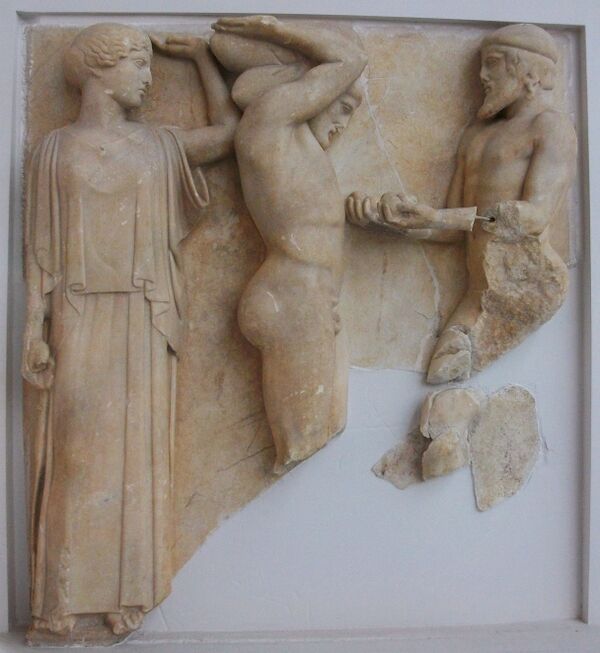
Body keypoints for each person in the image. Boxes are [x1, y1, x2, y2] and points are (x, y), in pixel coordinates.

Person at [22, 23, 239, 641]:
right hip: (78, 312)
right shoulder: (54, 151)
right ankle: (60, 597)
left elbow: (227, 133)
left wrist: (203, 61)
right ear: (99, 69)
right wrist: (34, 328)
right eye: (137, 64)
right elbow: (39, 250)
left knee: (137, 459)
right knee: (75, 454)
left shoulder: (159, 145)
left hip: (145, 316)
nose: (147, 77)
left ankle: (128, 591)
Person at [346, 23, 576, 383]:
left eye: (493, 63)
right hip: (479, 291)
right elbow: (451, 230)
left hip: (526, 285)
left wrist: (438, 217)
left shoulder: (550, 127)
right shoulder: (476, 135)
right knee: (441, 377)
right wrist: (395, 221)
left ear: (529, 71)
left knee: (446, 379)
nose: (483, 76)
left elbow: (533, 217)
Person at [211, 16, 367, 473]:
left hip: (310, 299)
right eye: (342, 106)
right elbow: (351, 59)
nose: (343, 123)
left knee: (329, 424)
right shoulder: (271, 121)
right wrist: (274, 29)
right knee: (305, 441)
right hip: (293, 297)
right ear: (310, 93)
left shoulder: (301, 149)